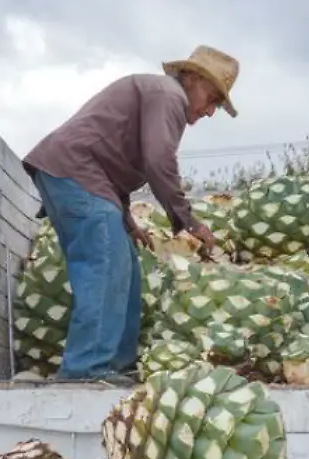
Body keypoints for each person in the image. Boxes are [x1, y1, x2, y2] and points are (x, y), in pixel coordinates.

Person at [22, 46, 238, 385]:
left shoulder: (158, 96)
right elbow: (158, 161)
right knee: (106, 267)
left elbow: (114, 161)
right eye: (211, 99)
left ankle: (117, 368)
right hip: (75, 172)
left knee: (127, 270)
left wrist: (127, 222)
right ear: (192, 78)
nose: (210, 111)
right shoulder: (170, 96)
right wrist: (188, 221)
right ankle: (85, 371)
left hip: (82, 176)